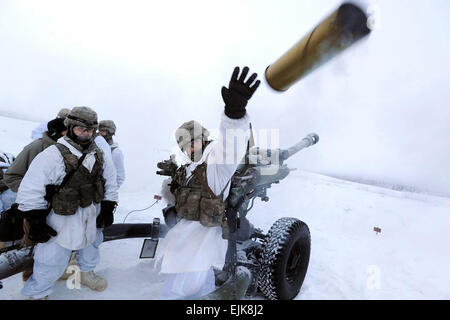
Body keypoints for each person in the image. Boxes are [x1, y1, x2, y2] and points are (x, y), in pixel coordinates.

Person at [155, 66, 260, 299]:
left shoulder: (216, 164)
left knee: (180, 292)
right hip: (184, 244)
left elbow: (231, 147)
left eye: (194, 141)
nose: (189, 148)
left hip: (199, 248)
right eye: (184, 145)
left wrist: (234, 114)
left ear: (204, 138)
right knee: (199, 291)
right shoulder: (189, 167)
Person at [16, 106, 119, 299]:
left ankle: (85, 273)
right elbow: (31, 189)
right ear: (71, 127)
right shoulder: (52, 155)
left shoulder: (98, 154)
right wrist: (35, 219)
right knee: (50, 260)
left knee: (91, 246)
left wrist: (108, 206)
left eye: (90, 130)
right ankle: (38, 293)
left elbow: (110, 182)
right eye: (81, 129)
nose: (85, 134)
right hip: (60, 219)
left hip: (90, 213)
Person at [1, 117, 68, 281]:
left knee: (56, 246)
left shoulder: (68, 149)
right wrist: (34, 194)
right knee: (34, 247)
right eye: (67, 130)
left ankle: (52, 275)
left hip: (60, 210)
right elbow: (11, 176)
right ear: (57, 132)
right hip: (35, 211)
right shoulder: (36, 147)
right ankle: (33, 286)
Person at [98, 120, 125, 188]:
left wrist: (109, 192)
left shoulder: (115, 152)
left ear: (110, 132)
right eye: (99, 131)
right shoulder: (96, 147)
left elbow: (120, 177)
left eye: (103, 131)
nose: (100, 133)